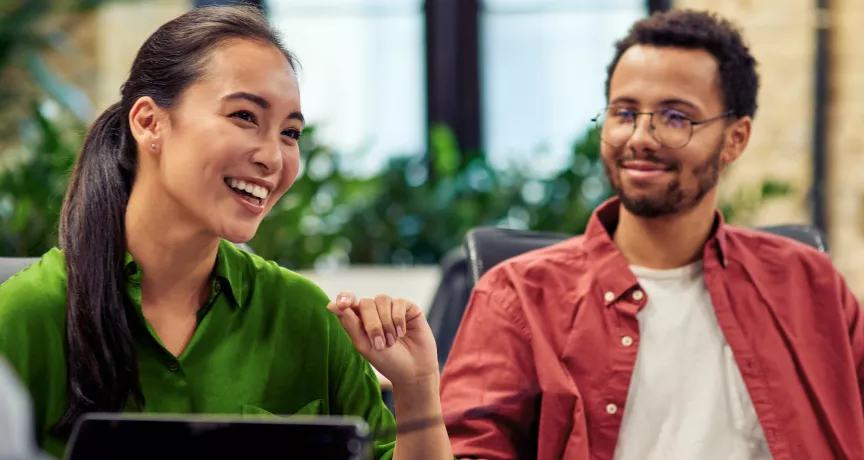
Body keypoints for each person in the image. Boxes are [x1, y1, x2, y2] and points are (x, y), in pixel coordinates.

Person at [0, 6, 451, 460]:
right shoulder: (24, 316)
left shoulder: (308, 319)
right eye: (244, 116)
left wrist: (416, 388)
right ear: (148, 122)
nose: (274, 158)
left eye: (291, 132)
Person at [440, 9, 864, 460]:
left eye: (676, 117)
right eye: (624, 112)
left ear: (736, 139)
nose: (641, 137)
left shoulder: (811, 285)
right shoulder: (518, 296)